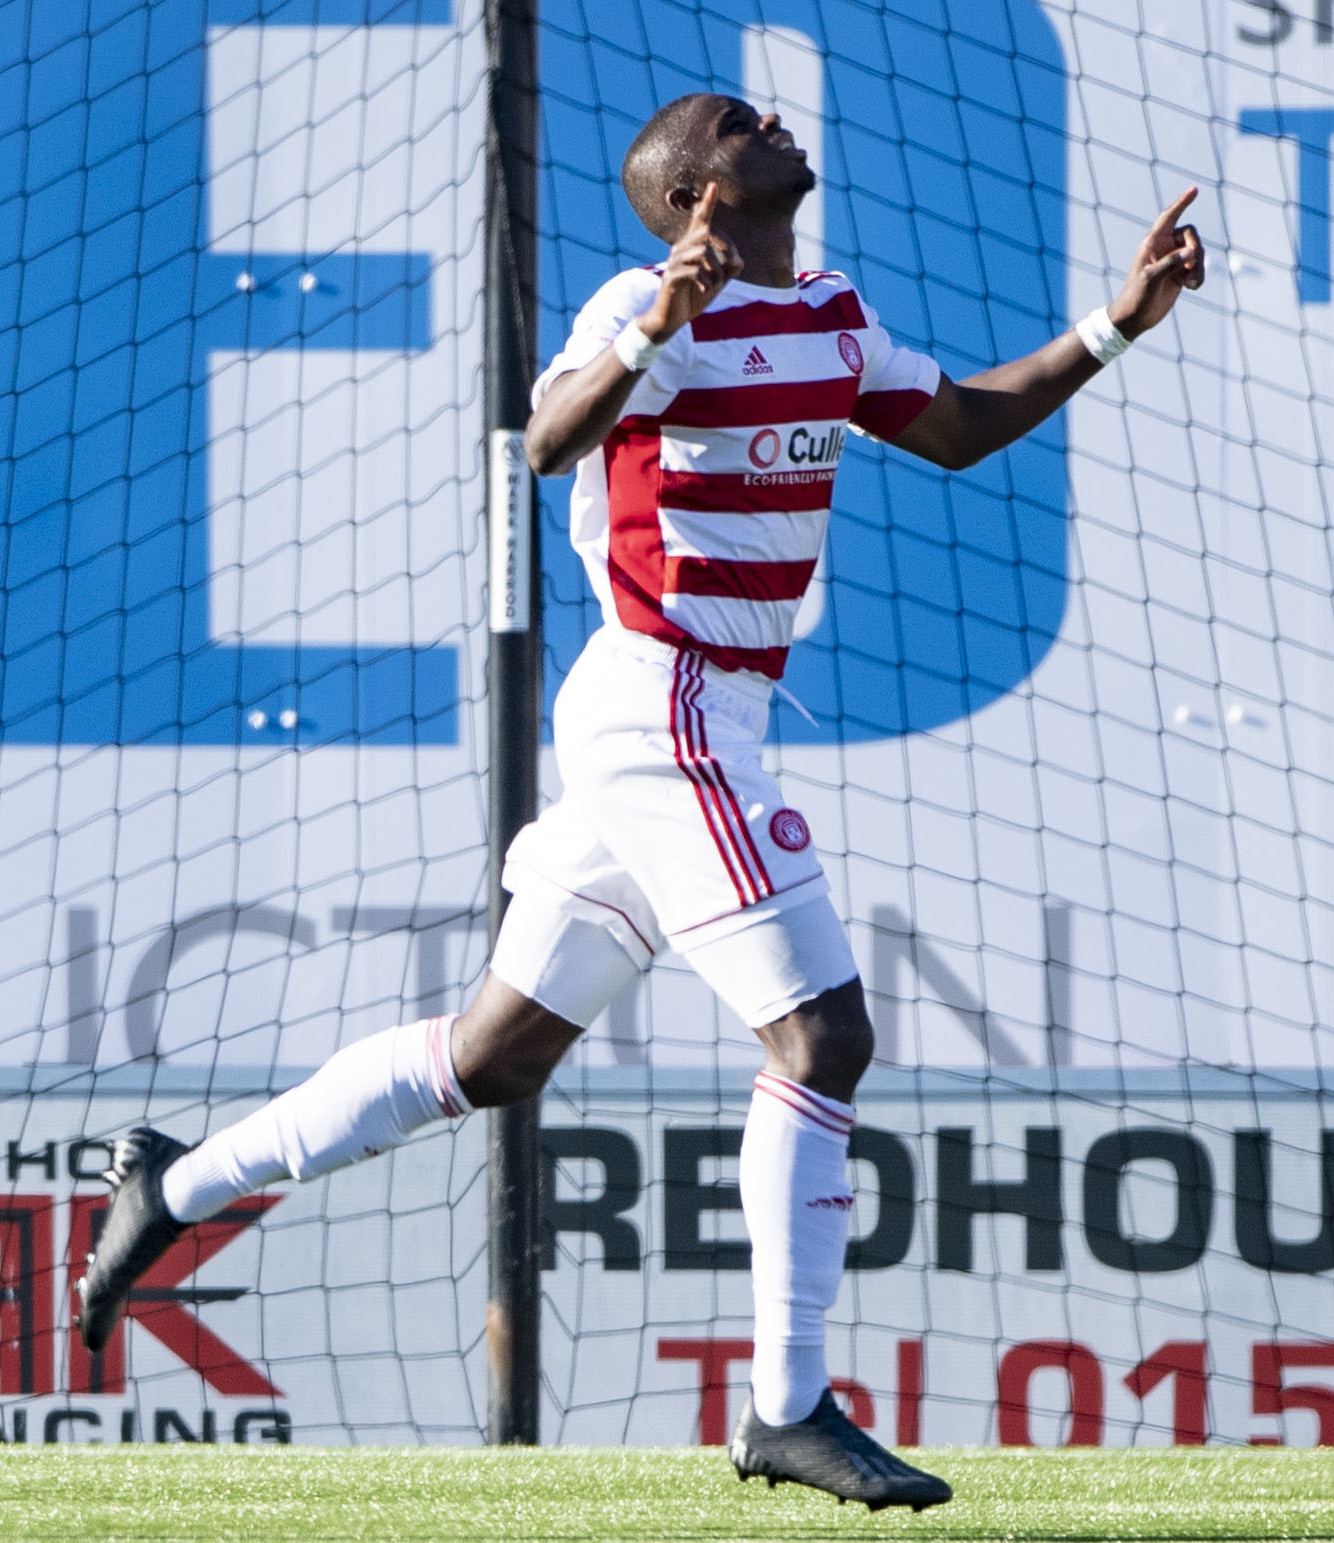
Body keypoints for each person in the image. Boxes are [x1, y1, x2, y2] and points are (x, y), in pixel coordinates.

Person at [75, 91, 1204, 1509]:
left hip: (699, 708)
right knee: (822, 1032)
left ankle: (169, 1185)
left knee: (492, 1062)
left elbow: (962, 428)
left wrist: (1116, 325)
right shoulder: (647, 298)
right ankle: (787, 1408)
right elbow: (547, 441)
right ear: (695, 194)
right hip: (663, 701)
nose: (776, 121)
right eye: (739, 123)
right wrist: (652, 327)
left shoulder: (831, 311)